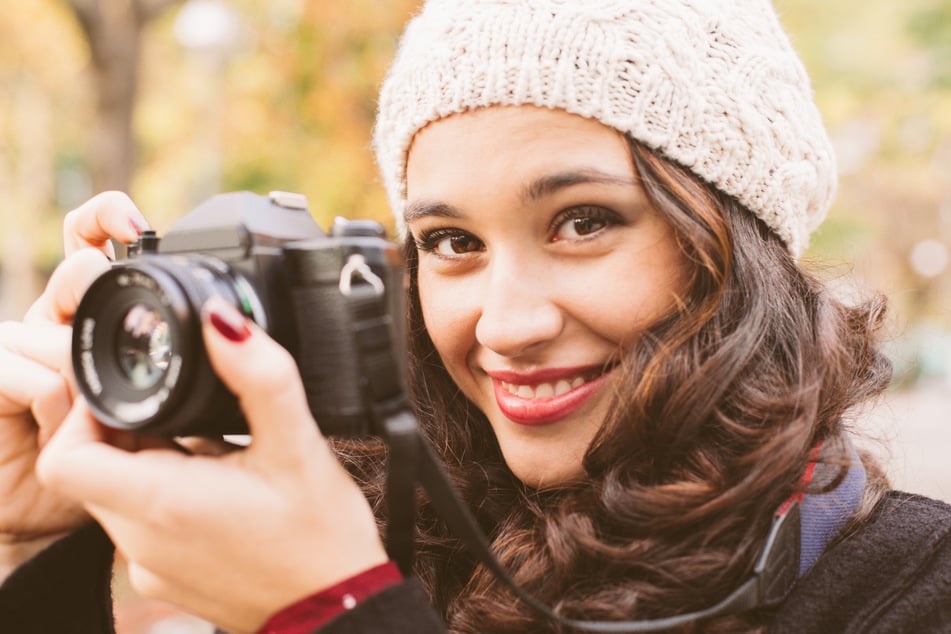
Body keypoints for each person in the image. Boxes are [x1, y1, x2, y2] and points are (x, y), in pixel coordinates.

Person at [2, 0, 951, 632]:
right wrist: (42, 546)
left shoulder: (913, 591)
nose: (504, 323)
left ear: (739, 248)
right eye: (452, 242)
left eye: (583, 223)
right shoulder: (354, 523)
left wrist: (334, 611)